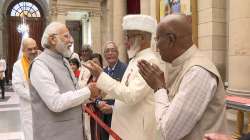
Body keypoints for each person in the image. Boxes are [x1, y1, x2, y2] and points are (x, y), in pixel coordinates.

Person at [137, 14, 227, 140]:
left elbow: (168, 133)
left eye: (157, 39)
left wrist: (159, 88)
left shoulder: (198, 72)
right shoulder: (176, 63)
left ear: (171, 40)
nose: (156, 47)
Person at [85, 15, 161, 140]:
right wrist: (102, 94)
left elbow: (131, 96)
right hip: (125, 129)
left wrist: (101, 76)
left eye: (128, 37)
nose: (125, 42)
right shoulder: (135, 59)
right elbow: (124, 89)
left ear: (141, 38)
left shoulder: (149, 61)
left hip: (136, 132)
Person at [29, 22, 97, 140]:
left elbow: (74, 89)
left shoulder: (64, 61)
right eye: (66, 36)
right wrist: (88, 91)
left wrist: (94, 91)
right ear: (52, 39)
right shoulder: (40, 65)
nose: (71, 40)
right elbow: (56, 102)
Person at [97, 41, 127, 140]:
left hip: (120, 119)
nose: (110, 53)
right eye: (107, 51)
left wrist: (113, 108)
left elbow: (129, 95)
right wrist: (98, 103)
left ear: (118, 53)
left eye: (113, 50)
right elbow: (96, 96)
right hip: (104, 120)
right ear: (104, 55)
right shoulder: (102, 73)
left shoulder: (125, 70)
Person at [12, 37, 38, 140]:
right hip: (28, 107)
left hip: (43, 107)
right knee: (30, 135)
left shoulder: (40, 62)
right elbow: (17, 86)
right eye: (29, 49)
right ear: (23, 50)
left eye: (34, 48)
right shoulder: (18, 66)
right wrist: (33, 97)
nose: (33, 51)